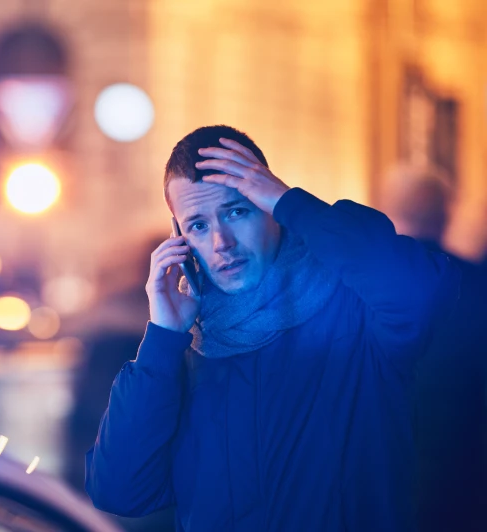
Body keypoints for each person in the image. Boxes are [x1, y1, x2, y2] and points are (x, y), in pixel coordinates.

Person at [85, 125, 459, 531]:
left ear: (270, 209)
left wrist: (291, 202)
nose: (221, 241)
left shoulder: (355, 312)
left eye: (237, 211)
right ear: (178, 238)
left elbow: (421, 291)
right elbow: (119, 490)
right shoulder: (185, 354)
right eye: (197, 226)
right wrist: (162, 337)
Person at [382, 165, 487, 531]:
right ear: (446, 215)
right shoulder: (477, 286)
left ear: (384, 211)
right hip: (463, 480)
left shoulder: (358, 290)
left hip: (379, 479)